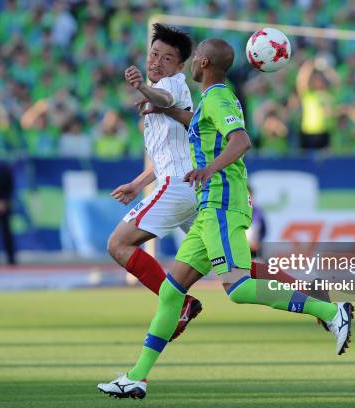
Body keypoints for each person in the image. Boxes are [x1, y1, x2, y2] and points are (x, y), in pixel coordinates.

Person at [98, 39, 354, 399]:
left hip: (221, 201)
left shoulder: (218, 97)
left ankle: (330, 311)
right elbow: (193, 122)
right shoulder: (212, 99)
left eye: (191, 59)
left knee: (239, 288)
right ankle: (137, 377)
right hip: (207, 208)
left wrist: (208, 169)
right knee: (172, 292)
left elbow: (241, 141)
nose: (188, 65)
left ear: (201, 61)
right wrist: (168, 115)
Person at [105, 23, 202, 342]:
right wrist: (137, 183)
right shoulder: (156, 100)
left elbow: (162, 96)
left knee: (118, 244)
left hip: (177, 187)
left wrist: (143, 89)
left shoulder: (173, 85)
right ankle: (315, 302)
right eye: (154, 54)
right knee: (234, 271)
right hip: (188, 188)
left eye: (167, 58)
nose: (157, 62)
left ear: (180, 66)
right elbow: (165, 156)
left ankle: (179, 302)